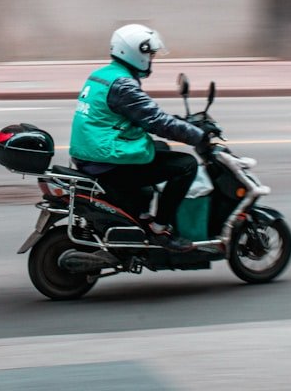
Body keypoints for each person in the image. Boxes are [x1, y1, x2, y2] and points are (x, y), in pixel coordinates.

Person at [69, 24, 208, 252]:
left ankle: (138, 210)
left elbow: (138, 115)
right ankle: (160, 228)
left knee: (160, 147)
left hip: (90, 153)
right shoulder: (123, 85)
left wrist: (179, 123)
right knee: (186, 165)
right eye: (150, 54)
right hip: (104, 162)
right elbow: (156, 121)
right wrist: (198, 136)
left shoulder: (103, 75)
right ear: (135, 53)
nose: (152, 59)